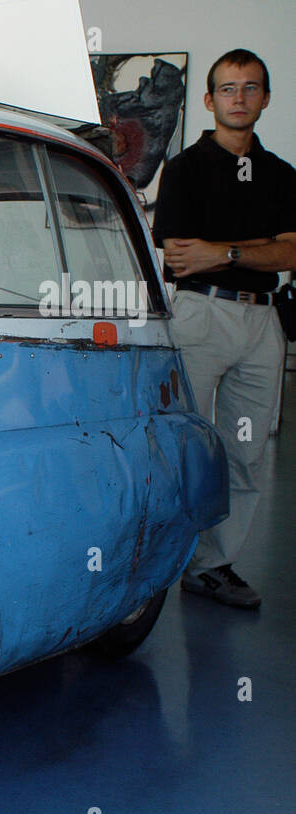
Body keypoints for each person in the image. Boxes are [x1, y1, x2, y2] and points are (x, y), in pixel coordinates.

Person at [153, 49, 296, 609]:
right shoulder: (185, 169)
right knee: (182, 441)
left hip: (262, 321)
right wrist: (262, 251)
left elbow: (293, 253)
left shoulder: (283, 175)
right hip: (200, 314)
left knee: (247, 447)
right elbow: (180, 258)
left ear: (265, 97)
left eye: (251, 87)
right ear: (210, 101)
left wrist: (227, 251)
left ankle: (212, 566)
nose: (240, 97)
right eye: (229, 88)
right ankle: (155, 559)